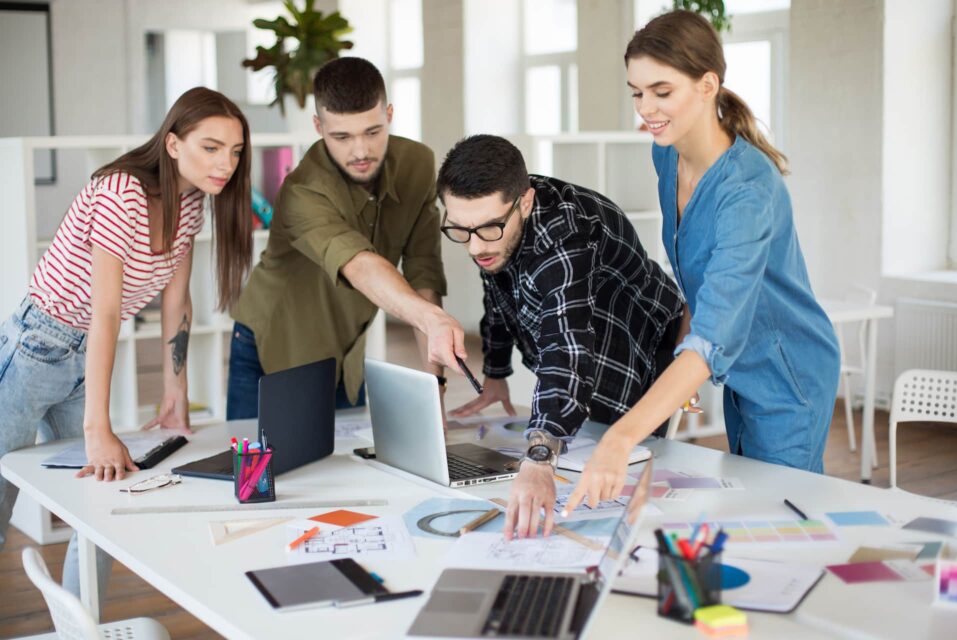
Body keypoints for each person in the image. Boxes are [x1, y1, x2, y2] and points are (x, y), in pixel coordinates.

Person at [566, 10, 841, 513]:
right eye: (636, 92)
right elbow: (699, 276)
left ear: (707, 84)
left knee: (780, 514)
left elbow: (715, 335)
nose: (645, 109)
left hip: (787, 375)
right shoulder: (666, 155)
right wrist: (681, 364)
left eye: (661, 91)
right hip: (738, 367)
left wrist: (621, 438)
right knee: (748, 501)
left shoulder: (748, 190)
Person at [0, 87, 253, 596]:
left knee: (101, 503)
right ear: (174, 143)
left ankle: (79, 625)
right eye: (211, 147)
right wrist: (99, 426)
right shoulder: (122, 192)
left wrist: (175, 391)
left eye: (236, 151)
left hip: (86, 358)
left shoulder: (192, 203)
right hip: (38, 347)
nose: (225, 162)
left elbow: (176, 302)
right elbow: (108, 310)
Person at [438, 135, 684, 539]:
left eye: (488, 229)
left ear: (526, 202)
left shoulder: (568, 232)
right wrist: (496, 372)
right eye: (460, 230)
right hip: (582, 360)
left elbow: (566, 348)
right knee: (573, 473)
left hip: (637, 359)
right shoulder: (493, 222)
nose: (475, 246)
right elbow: (497, 288)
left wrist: (538, 459)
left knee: (620, 506)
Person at [227, 57, 464, 418]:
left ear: (389, 114)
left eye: (372, 131)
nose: (360, 151)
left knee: (347, 468)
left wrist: (436, 392)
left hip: (346, 351)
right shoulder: (301, 190)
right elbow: (358, 264)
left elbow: (423, 273)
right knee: (258, 473)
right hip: (272, 347)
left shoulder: (417, 165)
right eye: (342, 137)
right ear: (319, 126)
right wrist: (430, 320)